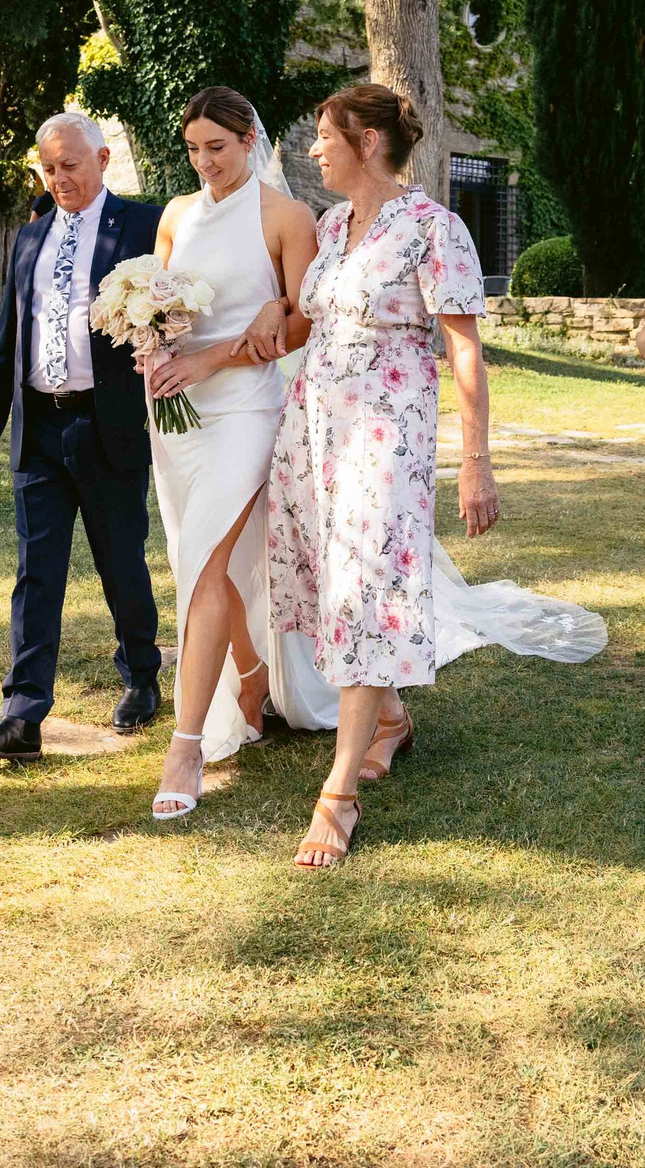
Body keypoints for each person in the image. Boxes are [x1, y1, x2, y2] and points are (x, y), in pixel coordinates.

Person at [266, 83, 605, 868]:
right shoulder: (328, 225)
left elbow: (464, 352)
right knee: (329, 586)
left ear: (368, 142)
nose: (315, 149)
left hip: (386, 440)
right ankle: (388, 721)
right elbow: (311, 316)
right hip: (313, 432)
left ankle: (338, 796)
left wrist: (477, 461)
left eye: (325, 136)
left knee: (365, 589)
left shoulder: (434, 229)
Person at [139, 88, 323, 820]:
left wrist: (213, 359)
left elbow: (302, 325)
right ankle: (249, 675)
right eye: (193, 149)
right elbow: (156, 303)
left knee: (209, 561)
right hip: (176, 415)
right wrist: (146, 343)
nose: (204, 161)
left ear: (250, 140)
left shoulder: (286, 217)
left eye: (217, 146)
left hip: (246, 407)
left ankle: (185, 745)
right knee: (199, 559)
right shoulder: (176, 214)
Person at [0, 113, 167, 762]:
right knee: (36, 573)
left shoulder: (142, 225)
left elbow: (174, 312)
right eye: (49, 168)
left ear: (102, 158)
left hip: (106, 425)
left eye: (70, 165)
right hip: (40, 428)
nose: (58, 178)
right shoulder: (27, 239)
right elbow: (7, 340)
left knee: (121, 563)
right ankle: (22, 715)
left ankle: (141, 673)